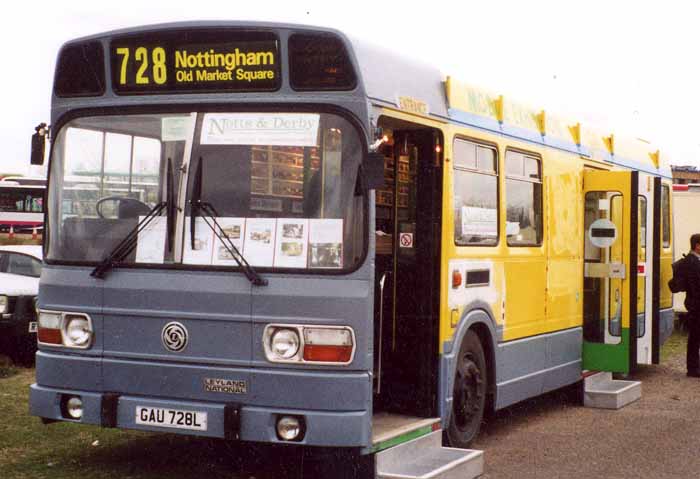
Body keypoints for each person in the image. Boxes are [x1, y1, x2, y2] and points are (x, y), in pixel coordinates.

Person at [683, 233, 700, 377]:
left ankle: (694, 367)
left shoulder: (694, 260)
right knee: (695, 336)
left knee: (695, 336)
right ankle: (693, 369)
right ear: (697, 246)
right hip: (696, 305)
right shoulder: (692, 262)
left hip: (694, 303)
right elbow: (695, 286)